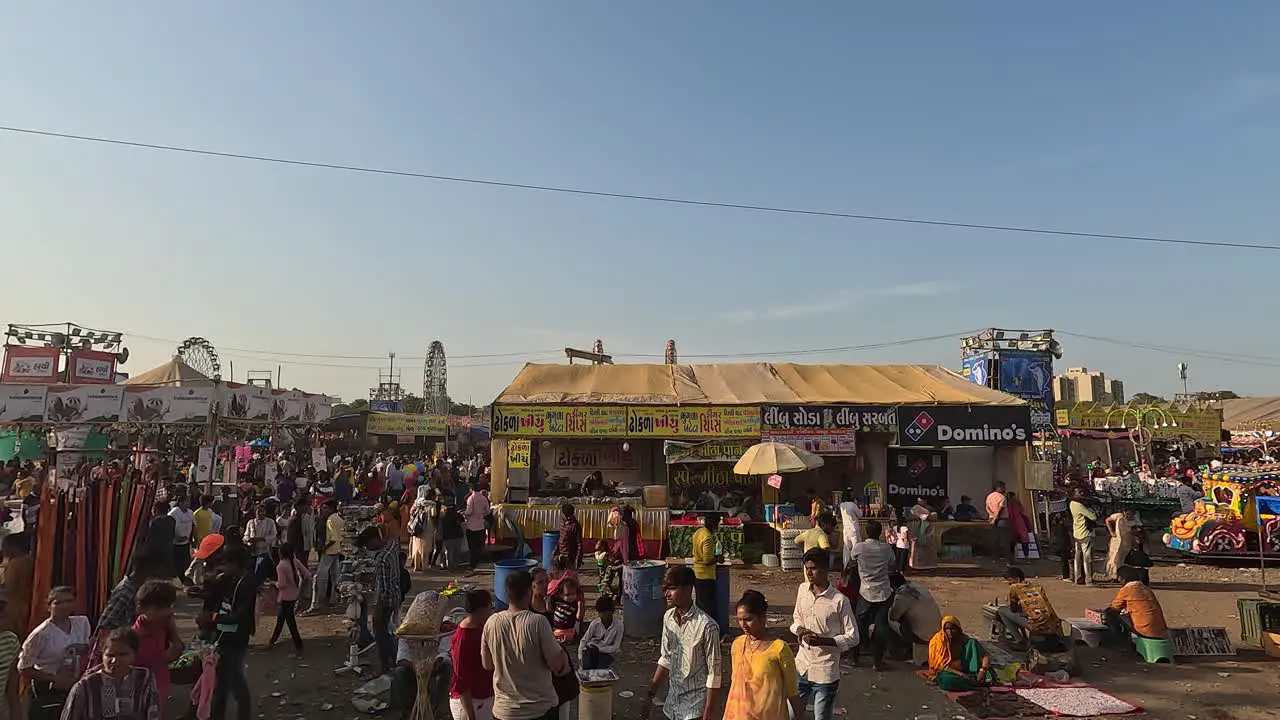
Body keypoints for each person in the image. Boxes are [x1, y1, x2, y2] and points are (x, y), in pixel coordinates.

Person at [480, 569, 567, 720]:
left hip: (504, 711)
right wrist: (563, 657)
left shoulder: (491, 622)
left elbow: (487, 665)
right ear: (528, 592)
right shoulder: (538, 622)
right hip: (538, 710)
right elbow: (556, 665)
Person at [790, 548, 858, 720]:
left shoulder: (839, 601)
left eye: (813, 568)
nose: (809, 573)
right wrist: (800, 630)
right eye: (807, 569)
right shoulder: (802, 590)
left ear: (825, 570)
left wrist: (823, 641)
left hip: (825, 671)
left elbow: (853, 637)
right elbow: (796, 618)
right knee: (791, 714)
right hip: (802, 666)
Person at [647, 565, 722, 720]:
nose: (667, 594)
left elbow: (714, 675)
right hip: (672, 705)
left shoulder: (707, 626)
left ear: (688, 589)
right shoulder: (668, 618)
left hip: (695, 709)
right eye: (665, 589)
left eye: (672, 588)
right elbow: (666, 657)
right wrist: (650, 692)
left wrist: (708, 713)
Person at [723, 590, 804, 720]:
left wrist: (801, 717)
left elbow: (792, 692)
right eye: (739, 620)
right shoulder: (738, 645)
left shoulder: (779, 649)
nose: (743, 625)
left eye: (748, 619)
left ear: (762, 617)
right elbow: (735, 685)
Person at [18, 586, 91, 720]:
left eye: (69, 601)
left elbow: (90, 648)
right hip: (50, 688)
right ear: (49, 606)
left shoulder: (81, 623)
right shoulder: (41, 634)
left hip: (77, 683)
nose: (65, 606)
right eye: (58, 603)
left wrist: (83, 648)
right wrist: (56, 679)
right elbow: (23, 668)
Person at [59, 627, 161, 720]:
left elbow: (152, 712)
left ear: (135, 654)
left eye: (123, 655)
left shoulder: (143, 678)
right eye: (110, 655)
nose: (114, 661)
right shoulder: (86, 686)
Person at [207, 545, 256, 720]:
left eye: (225, 564)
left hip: (236, 639)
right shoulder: (231, 579)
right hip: (223, 636)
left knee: (236, 682)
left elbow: (240, 616)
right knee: (221, 682)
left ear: (235, 564)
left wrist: (214, 618)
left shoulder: (246, 584)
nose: (223, 567)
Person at [851, 519, 896, 670]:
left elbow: (851, 561)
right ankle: (877, 661)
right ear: (880, 533)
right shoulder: (886, 548)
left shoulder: (859, 548)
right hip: (884, 592)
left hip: (865, 591)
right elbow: (892, 564)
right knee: (881, 627)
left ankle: (855, 657)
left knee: (858, 624)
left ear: (866, 532)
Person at [443, 589, 495, 720]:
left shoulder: (480, 627)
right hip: (471, 704)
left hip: (483, 699)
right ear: (481, 609)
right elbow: (461, 681)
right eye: (490, 606)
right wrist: (471, 715)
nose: (492, 610)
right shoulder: (464, 638)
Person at [130, 580, 182, 704]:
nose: (167, 612)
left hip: (161, 685)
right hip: (140, 691)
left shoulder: (164, 625)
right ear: (140, 609)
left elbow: (178, 648)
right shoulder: (134, 636)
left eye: (169, 607)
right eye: (158, 609)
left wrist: (173, 633)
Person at [998, 567, 1063, 647]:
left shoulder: (1014, 587)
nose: (1009, 583)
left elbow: (1013, 609)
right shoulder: (1037, 587)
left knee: (1002, 610)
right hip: (1053, 624)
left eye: (1010, 580)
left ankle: (1020, 640)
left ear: (1017, 579)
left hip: (1038, 625)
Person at [1104, 566, 1169, 641]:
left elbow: (1115, 607)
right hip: (1160, 630)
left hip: (1145, 629)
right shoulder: (1145, 588)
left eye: (1119, 578)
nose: (1118, 580)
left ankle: (1120, 640)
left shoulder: (1128, 589)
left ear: (1123, 578)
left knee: (1110, 614)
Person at [927, 616, 991, 691]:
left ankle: (975, 679)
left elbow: (985, 656)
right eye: (947, 629)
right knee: (947, 681)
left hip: (967, 670)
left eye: (952, 629)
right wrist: (961, 675)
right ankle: (972, 684)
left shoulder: (965, 640)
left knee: (987, 674)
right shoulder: (938, 642)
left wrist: (982, 670)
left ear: (958, 629)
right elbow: (942, 666)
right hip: (948, 672)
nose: (949, 632)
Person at [270, 543, 311, 655]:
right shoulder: (295, 561)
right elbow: (307, 575)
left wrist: (274, 583)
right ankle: (272, 641)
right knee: (282, 619)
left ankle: (298, 646)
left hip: (285, 597)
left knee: (289, 622)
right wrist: (301, 589)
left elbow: (282, 584)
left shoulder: (281, 566)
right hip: (294, 595)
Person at [306, 499, 343, 614]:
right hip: (337, 551)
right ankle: (334, 600)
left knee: (318, 577)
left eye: (325, 508)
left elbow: (333, 538)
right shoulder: (338, 519)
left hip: (329, 551)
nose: (322, 510)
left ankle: (315, 604)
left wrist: (324, 548)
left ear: (331, 508)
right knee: (335, 577)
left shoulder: (330, 520)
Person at [887, 572, 943, 648]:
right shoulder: (918, 586)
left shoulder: (902, 595)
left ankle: (902, 647)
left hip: (925, 637)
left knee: (890, 619)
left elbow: (893, 616)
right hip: (939, 632)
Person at [0, 534, 33, 638]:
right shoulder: (32, 560)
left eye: (4, 546)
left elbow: (10, 588)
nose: (3, 549)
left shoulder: (15, 564)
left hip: (16, 608)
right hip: (29, 604)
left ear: (13, 546)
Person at [691, 514, 721, 624]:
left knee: (700, 605)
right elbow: (707, 561)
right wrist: (718, 558)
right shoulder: (707, 537)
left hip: (697, 573)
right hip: (706, 576)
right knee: (708, 607)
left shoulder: (698, 532)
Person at [579, 596, 623, 670]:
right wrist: (580, 657)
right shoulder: (595, 624)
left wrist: (598, 649)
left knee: (600, 669)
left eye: (606, 614)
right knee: (587, 669)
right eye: (600, 613)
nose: (603, 616)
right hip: (590, 651)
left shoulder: (619, 625)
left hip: (606, 653)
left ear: (612, 612)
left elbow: (615, 647)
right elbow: (584, 640)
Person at [1069, 486, 1098, 586]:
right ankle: (1088, 580)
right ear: (1073, 493)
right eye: (1079, 492)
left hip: (1077, 533)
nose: (1081, 494)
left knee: (1077, 558)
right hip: (1085, 533)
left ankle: (1078, 578)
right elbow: (1093, 517)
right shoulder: (1079, 505)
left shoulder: (1072, 504)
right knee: (1087, 559)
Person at [464, 481, 491, 571]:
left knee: (472, 547)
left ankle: (472, 565)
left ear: (471, 489)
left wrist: (463, 513)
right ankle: (479, 564)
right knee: (479, 547)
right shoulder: (484, 498)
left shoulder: (471, 498)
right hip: (480, 525)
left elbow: (469, 512)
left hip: (471, 526)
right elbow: (488, 511)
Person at [548, 577, 584, 644]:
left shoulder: (575, 603)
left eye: (573, 594)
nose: (571, 597)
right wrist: (548, 599)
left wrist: (580, 606)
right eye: (567, 594)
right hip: (556, 630)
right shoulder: (557, 600)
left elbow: (578, 617)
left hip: (569, 631)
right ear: (561, 594)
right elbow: (549, 610)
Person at [1105, 509, 1137, 582]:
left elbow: (1136, 531)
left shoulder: (1135, 520)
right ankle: (1112, 576)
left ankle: (1121, 577)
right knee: (1113, 559)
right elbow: (1108, 520)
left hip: (1126, 542)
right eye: (1127, 514)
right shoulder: (1118, 516)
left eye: (1130, 514)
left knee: (1123, 560)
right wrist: (1112, 531)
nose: (1128, 516)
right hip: (1116, 541)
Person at [169, 495, 195, 584]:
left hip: (186, 542)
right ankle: (179, 579)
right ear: (180, 502)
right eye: (186, 501)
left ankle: (183, 577)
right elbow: (169, 526)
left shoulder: (190, 512)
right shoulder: (174, 513)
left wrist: (192, 537)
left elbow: (193, 525)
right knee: (178, 562)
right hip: (176, 543)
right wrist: (176, 537)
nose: (188, 503)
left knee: (186, 561)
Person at [836, 490, 864, 568]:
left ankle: (846, 565)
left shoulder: (842, 505)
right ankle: (856, 566)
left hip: (846, 529)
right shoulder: (853, 505)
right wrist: (858, 505)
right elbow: (860, 514)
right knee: (856, 547)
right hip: (853, 528)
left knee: (846, 548)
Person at [986, 481, 1011, 563]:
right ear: (1000, 488)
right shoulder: (1002, 497)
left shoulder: (989, 496)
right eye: (1004, 487)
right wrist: (995, 518)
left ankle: (994, 558)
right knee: (1004, 539)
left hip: (991, 518)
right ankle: (1008, 559)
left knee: (994, 539)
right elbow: (1000, 509)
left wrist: (992, 516)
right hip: (1001, 519)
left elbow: (987, 507)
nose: (1005, 489)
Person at [555, 504, 582, 570]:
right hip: (560, 554)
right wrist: (556, 550)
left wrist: (578, 558)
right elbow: (561, 538)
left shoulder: (575, 525)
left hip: (569, 555)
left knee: (569, 575)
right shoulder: (562, 523)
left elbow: (579, 543)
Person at [1007, 492, 1033, 560]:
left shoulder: (1008, 504)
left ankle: (1012, 558)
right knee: (1024, 541)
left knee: (1011, 542)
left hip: (1011, 524)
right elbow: (1022, 512)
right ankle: (1026, 556)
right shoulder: (1016, 503)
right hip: (1020, 524)